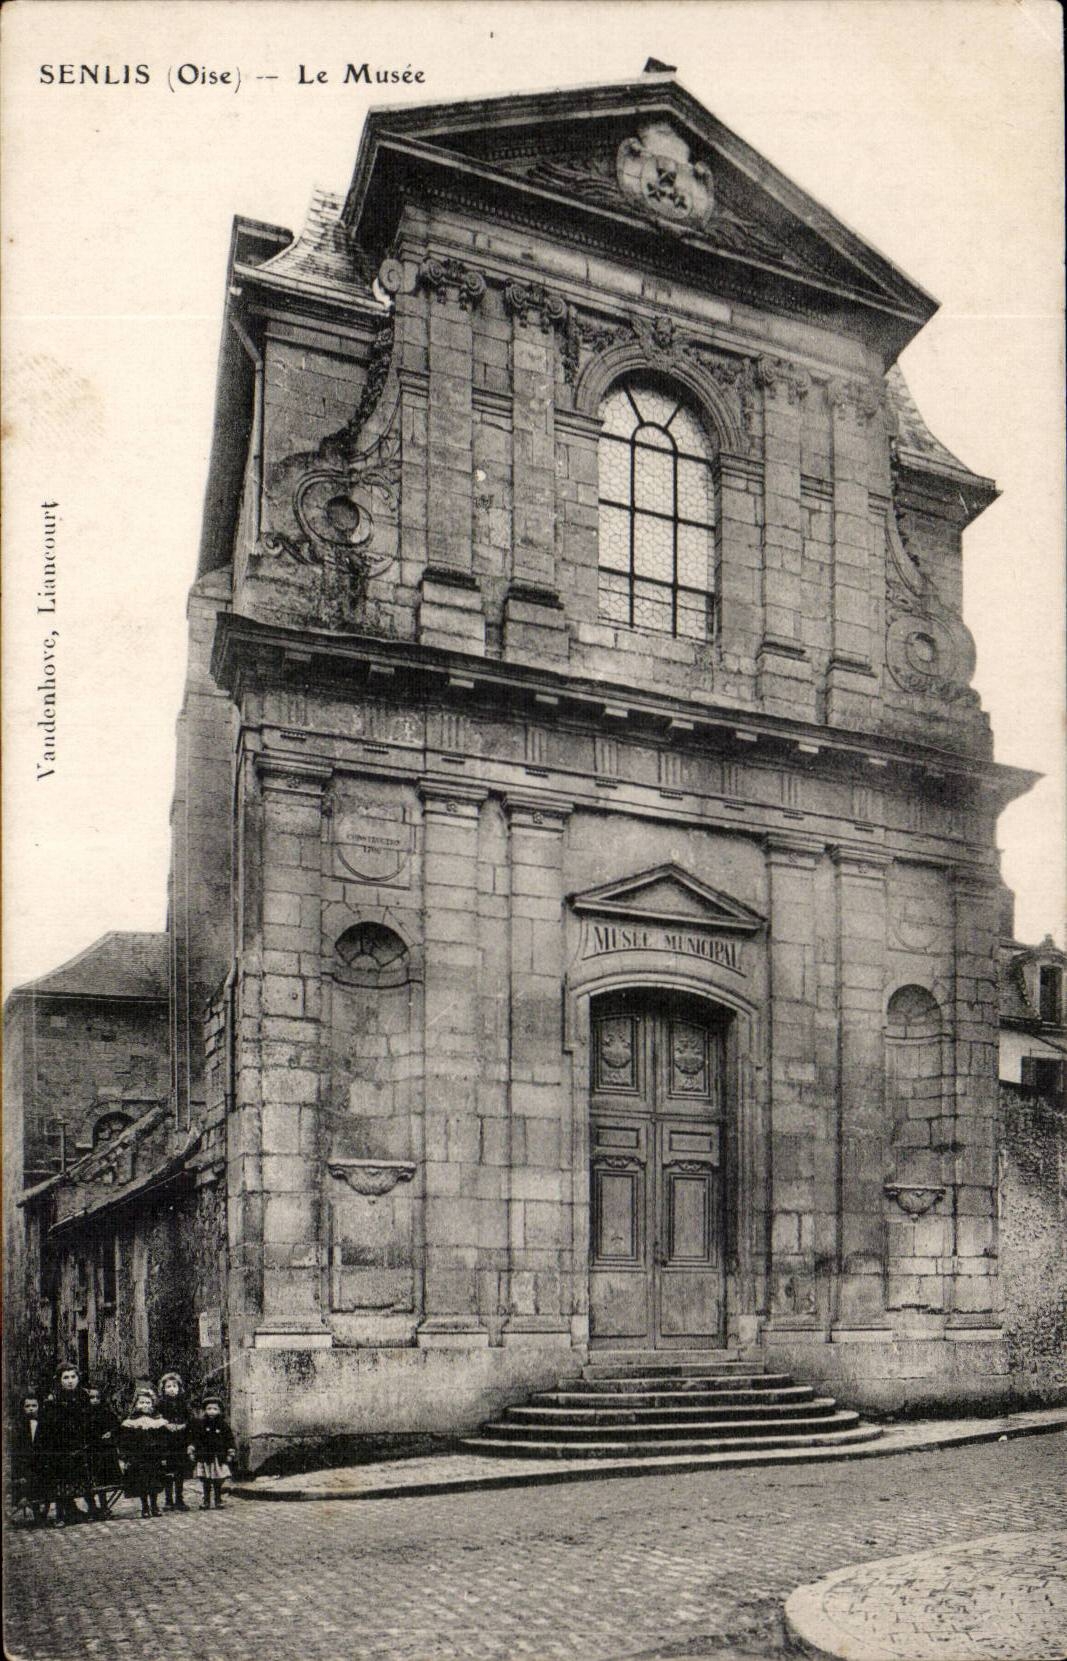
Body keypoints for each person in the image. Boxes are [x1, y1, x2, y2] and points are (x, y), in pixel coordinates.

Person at [38, 1363, 99, 1526]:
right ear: (59, 1380)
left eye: (73, 1377)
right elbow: (48, 1426)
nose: (70, 1381)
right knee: (62, 1481)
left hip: (80, 1443)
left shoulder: (83, 1397)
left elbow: (89, 1420)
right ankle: (60, 1515)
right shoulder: (53, 1399)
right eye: (66, 1378)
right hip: (60, 1446)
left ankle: (92, 1509)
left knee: (85, 1478)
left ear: (78, 1378)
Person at [117, 1385, 169, 1518]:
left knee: (154, 1482)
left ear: (152, 1404)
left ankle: (154, 1505)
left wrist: (163, 1455)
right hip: (138, 1458)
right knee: (142, 1483)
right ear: (136, 1404)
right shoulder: (130, 1422)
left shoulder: (158, 1421)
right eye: (141, 1402)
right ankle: (145, 1506)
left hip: (153, 1457)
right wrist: (126, 1457)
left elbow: (163, 1440)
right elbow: (125, 1441)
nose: (145, 1405)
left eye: (148, 1402)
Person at [188, 1393, 236, 1510]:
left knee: (218, 1480)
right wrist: (192, 1449)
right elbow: (196, 1438)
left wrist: (230, 1452)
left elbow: (229, 1439)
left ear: (219, 1411)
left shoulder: (223, 1425)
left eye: (215, 1409)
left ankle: (218, 1500)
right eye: (209, 1409)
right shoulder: (201, 1425)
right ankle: (206, 1501)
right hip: (205, 1457)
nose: (212, 1411)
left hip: (218, 1457)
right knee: (206, 1480)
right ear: (205, 1410)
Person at [11, 1394, 50, 1526]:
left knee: (45, 1482)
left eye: (34, 1406)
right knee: (27, 1481)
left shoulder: (44, 1424)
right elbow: (16, 1451)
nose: (31, 1409)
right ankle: (35, 1511)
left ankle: (43, 1511)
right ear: (22, 1408)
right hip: (26, 1463)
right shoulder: (19, 1427)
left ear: (39, 1407)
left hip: (42, 1463)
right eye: (27, 1406)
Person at [84, 1386, 122, 1513]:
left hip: (106, 1451)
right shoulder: (85, 1414)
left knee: (106, 1480)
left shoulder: (107, 1412)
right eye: (91, 1398)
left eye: (97, 1398)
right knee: (92, 1480)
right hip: (92, 1451)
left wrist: (110, 1433)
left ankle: (104, 1505)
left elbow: (117, 1426)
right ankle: (92, 1506)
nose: (94, 1400)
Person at [157, 1371, 191, 1511]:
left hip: (180, 1441)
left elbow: (189, 1420)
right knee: (167, 1471)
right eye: (168, 1386)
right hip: (167, 1442)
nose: (172, 1389)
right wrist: (165, 1424)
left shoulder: (183, 1404)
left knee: (179, 1471)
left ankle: (179, 1499)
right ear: (163, 1389)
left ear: (179, 1388)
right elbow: (156, 1419)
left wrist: (183, 1425)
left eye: (175, 1386)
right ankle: (168, 1500)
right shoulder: (160, 1404)